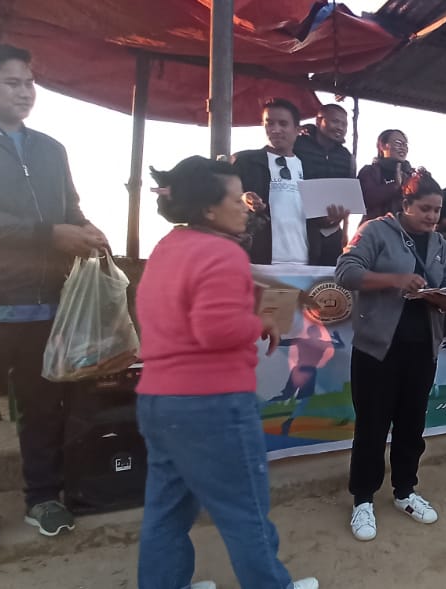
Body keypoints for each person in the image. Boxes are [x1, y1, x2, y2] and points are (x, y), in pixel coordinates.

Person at [135, 156, 317, 589]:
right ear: (209, 209)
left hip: (158, 399)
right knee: (244, 511)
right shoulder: (223, 252)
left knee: (166, 509)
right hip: (212, 403)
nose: (245, 207)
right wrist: (260, 321)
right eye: (236, 200)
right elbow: (214, 329)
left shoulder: (168, 246)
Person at [0, 43, 109, 552]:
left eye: (30, 82)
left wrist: (87, 230)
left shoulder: (51, 148)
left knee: (44, 406)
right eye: (13, 82)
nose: (26, 92)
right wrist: (46, 234)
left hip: (48, 303)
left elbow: (69, 208)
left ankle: (44, 497)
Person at [335, 169, 446, 542]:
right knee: (371, 427)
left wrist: (441, 298)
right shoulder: (375, 231)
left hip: (423, 349)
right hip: (377, 349)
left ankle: (405, 491)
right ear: (406, 204)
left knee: (411, 426)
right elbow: (346, 272)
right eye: (425, 209)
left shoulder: (442, 245)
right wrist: (395, 280)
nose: (432, 217)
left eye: (437, 210)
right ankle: (363, 499)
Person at [232, 98, 349, 266]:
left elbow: (315, 219)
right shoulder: (245, 162)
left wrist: (331, 219)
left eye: (283, 124)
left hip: (306, 263)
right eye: (269, 123)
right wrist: (244, 199)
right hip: (259, 263)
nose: (275, 130)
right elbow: (224, 202)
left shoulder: (309, 168)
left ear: (297, 130)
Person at [294, 103, 355, 266]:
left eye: (344, 124)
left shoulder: (346, 156)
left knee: (330, 276)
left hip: (332, 229)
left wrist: (345, 231)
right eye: (335, 121)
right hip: (299, 225)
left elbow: (348, 192)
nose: (340, 127)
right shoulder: (297, 145)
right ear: (318, 120)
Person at [357, 129, 412, 222]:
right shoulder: (370, 171)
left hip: (404, 228)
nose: (403, 148)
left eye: (405, 145)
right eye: (398, 143)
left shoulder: (411, 174)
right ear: (382, 146)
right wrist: (395, 186)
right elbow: (365, 199)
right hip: (375, 226)